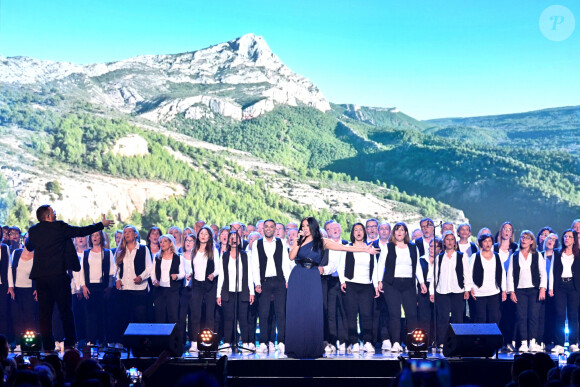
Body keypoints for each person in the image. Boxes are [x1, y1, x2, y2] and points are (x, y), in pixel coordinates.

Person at [286, 217, 379, 358]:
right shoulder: (297, 241)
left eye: (307, 225)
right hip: (298, 276)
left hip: (312, 276)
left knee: (313, 311)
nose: (304, 228)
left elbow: (344, 247)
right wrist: (298, 241)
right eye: (303, 225)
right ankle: (295, 347)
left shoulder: (322, 242)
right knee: (297, 311)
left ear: (313, 227)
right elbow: (291, 256)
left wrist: (364, 250)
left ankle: (312, 347)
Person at [25, 205, 114, 352]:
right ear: (48, 216)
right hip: (58, 276)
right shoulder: (59, 227)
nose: (55, 214)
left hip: (41, 278)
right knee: (65, 311)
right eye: (53, 212)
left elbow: (29, 246)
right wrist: (100, 225)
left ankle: (47, 347)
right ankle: (70, 344)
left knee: (44, 314)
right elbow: (81, 231)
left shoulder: (34, 230)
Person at [377, 222, 427, 352]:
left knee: (412, 314)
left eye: (402, 230)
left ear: (406, 233)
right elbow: (380, 265)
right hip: (391, 284)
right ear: (394, 233)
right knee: (394, 314)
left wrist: (421, 282)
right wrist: (378, 281)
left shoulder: (412, 247)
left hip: (409, 284)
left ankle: (412, 343)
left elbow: (416, 266)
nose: (399, 232)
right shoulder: (388, 247)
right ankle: (396, 343)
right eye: (397, 230)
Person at [339, 223, 380, 354]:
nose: (358, 232)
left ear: (364, 232)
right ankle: (354, 342)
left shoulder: (371, 248)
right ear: (352, 233)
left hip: (366, 286)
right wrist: (342, 281)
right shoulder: (348, 248)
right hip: (351, 284)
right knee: (351, 315)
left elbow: (375, 269)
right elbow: (341, 266)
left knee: (367, 314)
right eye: (355, 230)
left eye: (360, 230)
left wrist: (375, 286)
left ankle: (367, 341)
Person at [252, 220, 290, 354]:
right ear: (263, 228)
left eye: (271, 227)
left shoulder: (281, 243)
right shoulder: (257, 243)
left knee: (281, 313)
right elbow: (255, 265)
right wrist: (257, 282)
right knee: (263, 313)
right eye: (266, 226)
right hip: (264, 282)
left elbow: (285, 263)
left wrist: (287, 280)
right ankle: (263, 342)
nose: (269, 229)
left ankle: (281, 342)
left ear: (275, 229)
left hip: (279, 281)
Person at [507, 230, 547, 352]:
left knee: (534, 316)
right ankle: (523, 342)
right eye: (522, 237)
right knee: (521, 316)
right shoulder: (514, 255)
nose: (523, 239)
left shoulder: (537, 255)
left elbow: (543, 273)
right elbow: (510, 275)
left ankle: (532, 342)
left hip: (534, 289)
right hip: (520, 290)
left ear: (531, 241)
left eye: (527, 237)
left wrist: (542, 288)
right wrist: (511, 291)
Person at [216, 231, 255, 352]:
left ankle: (246, 343)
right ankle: (227, 342)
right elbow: (221, 276)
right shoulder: (225, 256)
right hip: (228, 292)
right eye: (231, 238)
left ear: (240, 240)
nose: (233, 240)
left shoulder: (245, 255)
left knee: (243, 318)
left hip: (242, 291)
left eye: (236, 238)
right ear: (228, 241)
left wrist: (251, 292)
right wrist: (218, 294)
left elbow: (249, 275)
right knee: (228, 319)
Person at [79, 231, 115, 346]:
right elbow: (82, 271)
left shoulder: (107, 253)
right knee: (90, 315)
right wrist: (83, 286)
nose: (95, 237)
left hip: (103, 287)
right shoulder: (86, 253)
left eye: (97, 235)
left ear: (101, 237)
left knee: (103, 314)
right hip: (90, 287)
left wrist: (109, 287)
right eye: (93, 235)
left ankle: (103, 340)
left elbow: (112, 272)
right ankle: (91, 340)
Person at [188, 226, 220, 352]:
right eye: (201, 233)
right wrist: (190, 273)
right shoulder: (194, 250)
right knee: (195, 314)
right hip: (196, 285)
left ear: (209, 236)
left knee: (209, 315)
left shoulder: (213, 250)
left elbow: (218, 268)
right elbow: (194, 266)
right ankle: (194, 342)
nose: (203, 235)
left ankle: (209, 342)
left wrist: (213, 275)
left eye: (206, 234)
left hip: (209, 285)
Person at [549, 230, 579, 354]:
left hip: (574, 286)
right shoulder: (557, 253)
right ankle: (559, 343)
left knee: (573, 316)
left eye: (569, 237)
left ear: (574, 239)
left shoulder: (578, 254)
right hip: (560, 286)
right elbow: (551, 272)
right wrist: (551, 288)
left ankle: (573, 342)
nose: (567, 238)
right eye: (565, 236)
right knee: (560, 315)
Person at [469, 233, 507, 324]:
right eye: (485, 241)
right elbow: (469, 274)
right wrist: (470, 288)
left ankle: (493, 338)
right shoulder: (475, 256)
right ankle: (480, 338)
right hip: (479, 292)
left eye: (489, 241)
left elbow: (502, 274)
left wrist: (504, 291)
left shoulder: (497, 256)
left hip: (494, 292)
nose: (487, 243)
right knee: (480, 318)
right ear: (481, 243)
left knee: (494, 317)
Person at [151, 234, 185, 326]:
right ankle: (160, 340)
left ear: (170, 243)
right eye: (161, 242)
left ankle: (174, 340)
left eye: (165, 241)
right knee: (160, 317)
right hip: (160, 290)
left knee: (173, 317)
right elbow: (153, 272)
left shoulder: (178, 257)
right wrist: (154, 281)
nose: (162, 244)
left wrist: (176, 276)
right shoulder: (157, 257)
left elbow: (182, 274)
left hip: (173, 291)